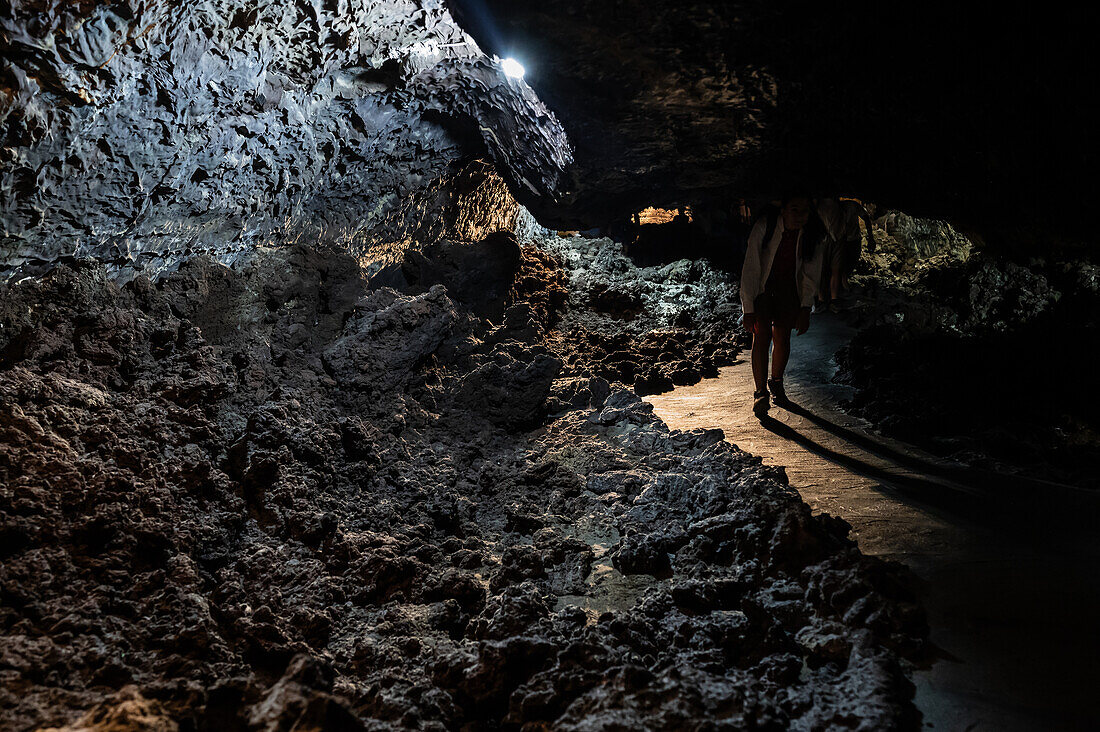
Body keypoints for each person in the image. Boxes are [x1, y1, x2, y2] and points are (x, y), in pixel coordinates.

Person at [740, 195, 828, 415]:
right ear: (783, 210)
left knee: (782, 336)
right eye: (794, 210)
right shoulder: (766, 227)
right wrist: (748, 308)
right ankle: (760, 392)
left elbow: (811, 274)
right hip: (763, 289)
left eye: (805, 211)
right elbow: (751, 267)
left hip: (790, 290)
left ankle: (776, 382)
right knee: (761, 337)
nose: (800, 216)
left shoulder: (812, 235)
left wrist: (806, 307)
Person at [817, 198, 877, 309]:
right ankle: (837, 293)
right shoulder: (840, 208)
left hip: (848, 239)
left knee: (841, 267)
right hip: (842, 240)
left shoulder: (849, 206)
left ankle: (836, 292)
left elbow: (866, 218)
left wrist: (871, 238)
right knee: (837, 268)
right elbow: (866, 218)